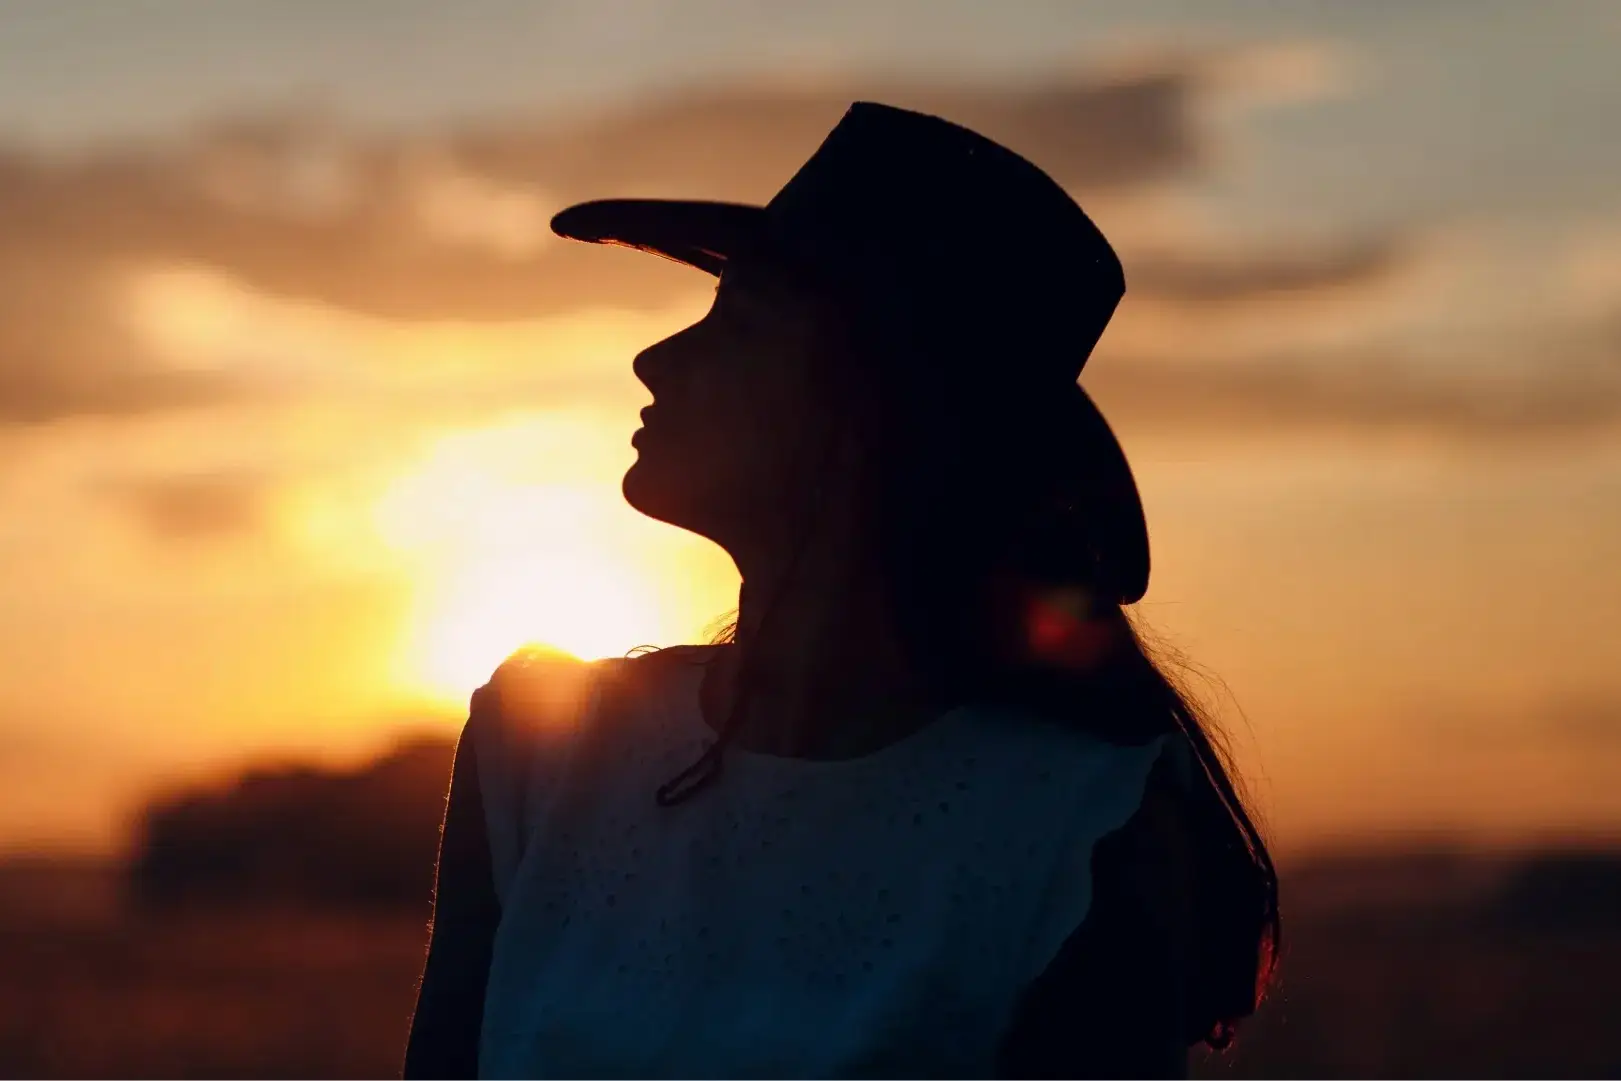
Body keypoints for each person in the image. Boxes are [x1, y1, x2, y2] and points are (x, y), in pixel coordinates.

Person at [403, 102, 1279, 1079]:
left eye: (737, 324)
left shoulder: (1078, 830)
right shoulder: (540, 748)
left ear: (866, 397)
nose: (658, 360)